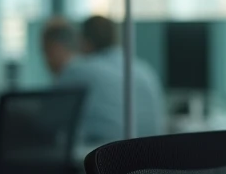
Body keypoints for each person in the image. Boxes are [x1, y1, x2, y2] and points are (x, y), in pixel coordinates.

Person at [46, 15, 166, 145]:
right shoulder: (145, 70)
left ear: (84, 42)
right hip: (150, 160)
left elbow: (48, 120)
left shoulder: (78, 71)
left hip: (105, 159)